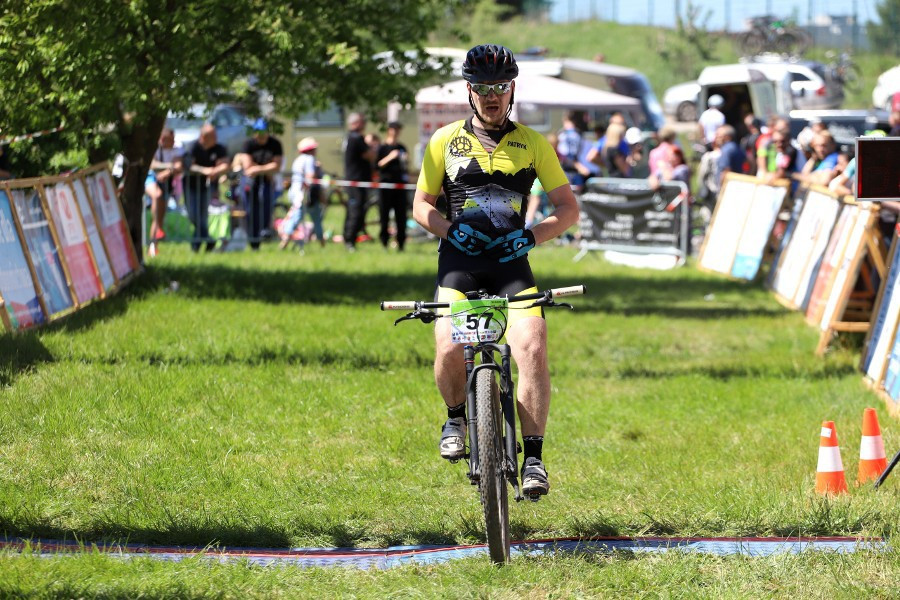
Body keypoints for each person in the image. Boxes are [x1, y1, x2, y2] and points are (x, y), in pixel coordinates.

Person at [412, 44, 578, 497]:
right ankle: (455, 419)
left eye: (500, 88)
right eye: (483, 88)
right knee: (448, 344)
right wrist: (447, 229)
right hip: (459, 263)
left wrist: (530, 237)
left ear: (511, 90)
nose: (492, 96)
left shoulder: (532, 142)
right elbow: (420, 206)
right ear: (470, 90)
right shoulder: (444, 140)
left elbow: (567, 208)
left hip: (511, 265)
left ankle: (535, 459)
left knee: (533, 345)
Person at [238, 118, 283, 250]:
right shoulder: (248, 144)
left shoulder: (275, 144)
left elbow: (277, 166)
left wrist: (257, 169)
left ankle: (264, 233)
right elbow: (247, 167)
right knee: (250, 211)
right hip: (250, 183)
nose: (261, 135)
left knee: (266, 206)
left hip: (268, 182)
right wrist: (266, 169)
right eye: (259, 132)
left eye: (264, 132)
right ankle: (253, 241)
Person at [184, 123, 229, 252]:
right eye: (212, 136)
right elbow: (189, 165)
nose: (216, 138)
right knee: (193, 216)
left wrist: (215, 171)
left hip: (207, 187)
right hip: (191, 186)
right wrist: (205, 171)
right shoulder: (193, 147)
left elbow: (226, 164)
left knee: (202, 217)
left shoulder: (219, 148)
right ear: (203, 137)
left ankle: (196, 246)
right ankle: (208, 240)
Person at [145, 128, 183, 258]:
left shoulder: (177, 149)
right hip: (152, 179)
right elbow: (152, 164)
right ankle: (152, 246)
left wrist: (168, 171)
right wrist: (170, 167)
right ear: (162, 140)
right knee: (157, 195)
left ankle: (154, 245)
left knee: (159, 219)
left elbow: (178, 165)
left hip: (166, 184)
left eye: (173, 140)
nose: (172, 142)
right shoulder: (154, 149)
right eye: (169, 140)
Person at [280, 137, 322, 251]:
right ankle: (285, 241)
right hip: (304, 194)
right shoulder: (309, 159)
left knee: (300, 216)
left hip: (295, 193)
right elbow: (310, 175)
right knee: (303, 218)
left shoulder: (298, 160)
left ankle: (285, 241)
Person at [342, 112, 375, 251]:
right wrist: (372, 146)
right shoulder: (357, 137)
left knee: (352, 210)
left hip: (354, 181)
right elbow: (370, 155)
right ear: (355, 123)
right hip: (357, 182)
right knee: (356, 211)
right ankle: (350, 240)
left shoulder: (350, 137)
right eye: (362, 121)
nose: (365, 124)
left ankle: (348, 237)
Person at [376, 122, 410, 251]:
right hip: (386, 186)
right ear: (389, 130)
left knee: (401, 215)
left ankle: (401, 243)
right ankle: (384, 242)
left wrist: (405, 159)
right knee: (384, 215)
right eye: (393, 129)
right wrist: (391, 157)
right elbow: (378, 165)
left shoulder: (402, 147)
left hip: (400, 186)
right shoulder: (383, 148)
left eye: (398, 129)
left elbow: (406, 165)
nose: (396, 132)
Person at [557, 112, 591, 190]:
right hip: (569, 169)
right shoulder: (566, 134)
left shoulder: (574, 133)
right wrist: (578, 166)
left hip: (574, 169)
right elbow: (564, 155)